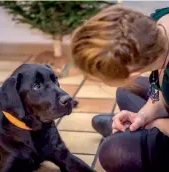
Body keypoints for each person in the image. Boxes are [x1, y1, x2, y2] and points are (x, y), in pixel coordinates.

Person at [72, 5, 169, 172]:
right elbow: (159, 90)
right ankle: (136, 135)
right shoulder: (157, 26)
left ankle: (132, 137)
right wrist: (143, 115)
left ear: (133, 71)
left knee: (113, 152)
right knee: (127, 91)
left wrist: (157, 124)